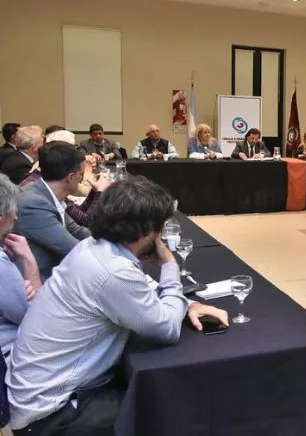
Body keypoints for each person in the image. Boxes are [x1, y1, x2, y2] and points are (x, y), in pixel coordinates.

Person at [6, 177, 229, 435]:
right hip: (51, 413)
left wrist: (186, 303)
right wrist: (169, 265)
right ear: (148, 231)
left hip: (33, 392)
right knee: (173, 407)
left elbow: (134, 298)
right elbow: (167, 329)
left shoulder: (92, 248)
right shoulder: (113, 272)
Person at [13, 141, 91, 280]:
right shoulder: (33, 204)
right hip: (40, 281)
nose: (82, 179)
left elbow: (78, 231)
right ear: (71, 177)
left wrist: (112, 240)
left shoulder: (47, 193)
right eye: (81, 174)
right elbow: (73, 250)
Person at [0, 174, 40, 356]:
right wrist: (28, 262)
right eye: (13, 210)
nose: (15, 217)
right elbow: (34, 318)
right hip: (11, 355)